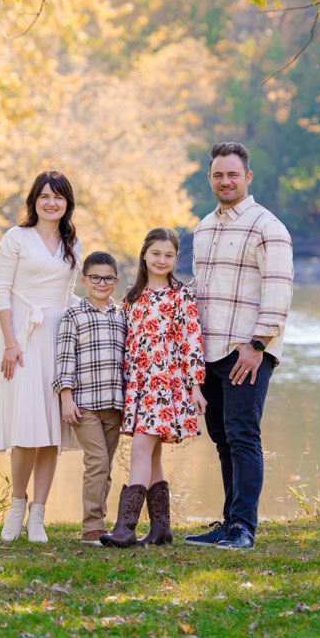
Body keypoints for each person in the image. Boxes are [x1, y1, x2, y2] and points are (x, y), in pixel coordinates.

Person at [185, 142, 293, 551]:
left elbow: (279, 291)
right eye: (218, 175)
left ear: (247, 177)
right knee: (221, 436)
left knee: (243, 435)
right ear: (210, 178)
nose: (225, 181)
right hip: (209, 350)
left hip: (244, 349)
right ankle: (229, 521)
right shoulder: (204, 227)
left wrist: (257, 344)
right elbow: (200, 290)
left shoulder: (268, 227)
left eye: (233, 174)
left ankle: (244, 528)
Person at [0, 170, 82, 543]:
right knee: (25, 430)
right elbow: (1, 291)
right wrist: (11, 342)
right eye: (44, 196)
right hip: (23, 337)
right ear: (34, 201)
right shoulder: (16, 237)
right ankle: (16, 506)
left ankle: (38, 516)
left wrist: (101, 311)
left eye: (58, 197)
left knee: (50, 432)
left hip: (59, 338)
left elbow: (68, 295)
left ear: (67, 203)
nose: (51, 203)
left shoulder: (73, 242)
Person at [101, 228, 206, 548]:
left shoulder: (181, 295)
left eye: (169, 255)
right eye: (156, 253)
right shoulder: (133, 297)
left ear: (176, 258)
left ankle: (125, 528)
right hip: (138, 384)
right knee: (153, 454)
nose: (162, 260)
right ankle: (161, 529)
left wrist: (196, 386)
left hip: (166, 384)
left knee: (140, 451)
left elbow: (192, 341)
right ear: (144, 254)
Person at [53, 251, 127, 544]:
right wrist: (66, 398)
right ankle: (92, 528)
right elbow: (64, 359)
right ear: (84, 280)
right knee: (97, 462)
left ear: (116, 281)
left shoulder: (122, 315)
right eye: (95, 278)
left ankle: (100, 522)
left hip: (114, 404)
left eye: (108, 278)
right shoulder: (74, 315)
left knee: (105, 466)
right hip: (85, 405)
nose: (101, 283)